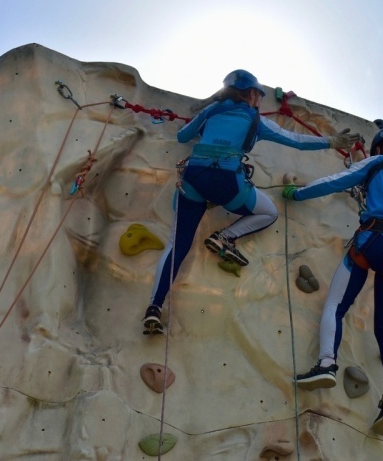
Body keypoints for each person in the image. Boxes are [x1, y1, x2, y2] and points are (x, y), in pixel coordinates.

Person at [142, 69, 361, 335]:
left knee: (178, 244)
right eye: (259, 94)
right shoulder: (255, 120)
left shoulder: (210, 111)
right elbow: (296, 141)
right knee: (268, 212)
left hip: (193, 179)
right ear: (252, 93)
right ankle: (224, 237)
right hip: (227, 183)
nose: (260, 100)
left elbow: (182, 137)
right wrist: (332, 141)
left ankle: (154, 306)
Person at [282, 123, 383, 437]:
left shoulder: (377, 163)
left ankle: (326, 363)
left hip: (372, 239)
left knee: (336, 306)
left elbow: (337, 181)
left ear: (379, 147)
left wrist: (297, 194)